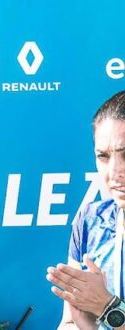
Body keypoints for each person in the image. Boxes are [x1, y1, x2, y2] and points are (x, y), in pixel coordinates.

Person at [49, 91, 125, 329]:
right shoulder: (90, 220)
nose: (114, 173)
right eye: (103, 156)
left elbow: (104, 308)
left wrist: (107, 308)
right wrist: (87, 326)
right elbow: (69, 322)